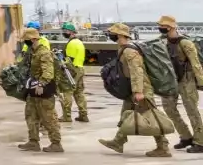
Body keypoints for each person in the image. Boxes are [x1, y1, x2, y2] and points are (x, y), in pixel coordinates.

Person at [100, 22, 172, 157]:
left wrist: (139, 91)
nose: (111, 35)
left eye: (113, 33)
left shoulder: (129, 51)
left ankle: (163, 147)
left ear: (120, 35)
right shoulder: (123, 49)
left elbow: (137, 71)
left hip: (142, 90)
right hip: (133, 90)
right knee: (125, 115)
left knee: (151, 118)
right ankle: (118, 141)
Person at [159, 15, 203, 153]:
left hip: (186, 79)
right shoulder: (162, 42)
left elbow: (196, 64)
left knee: (192, 110)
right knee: (168, 108)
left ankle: (200, 141)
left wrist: (201, 82)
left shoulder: (185, 43)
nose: (160, 28)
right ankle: (186, 136)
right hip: (171, 80)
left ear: (171, 27)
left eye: (163, 26)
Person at [18, 27, 63, 153]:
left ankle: (56, 143)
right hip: (33, 89)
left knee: (48, 118)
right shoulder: (32, 52)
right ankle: (33, 141)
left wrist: (41, 84)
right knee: (30, 115)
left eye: (26, 40)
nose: (25, 42)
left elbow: (48, 72)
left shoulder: (44, 53)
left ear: (33, 39)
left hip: (43, 89)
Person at [58, 22, 89, 123]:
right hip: (80, 69)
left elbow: (69, 60)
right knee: (79, 93)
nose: (64, 33)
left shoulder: (71, 43)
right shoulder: (79, 42)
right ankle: (83, 115)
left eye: (65, 31)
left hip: (72, 70)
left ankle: (67, 116)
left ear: (71, 32)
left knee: (67, 92)